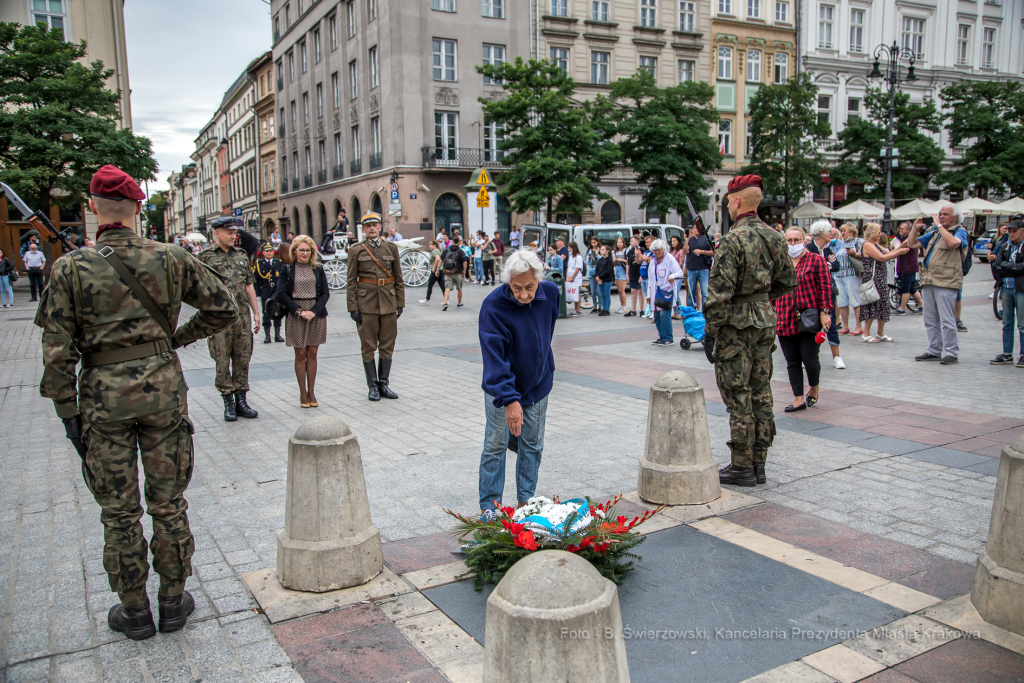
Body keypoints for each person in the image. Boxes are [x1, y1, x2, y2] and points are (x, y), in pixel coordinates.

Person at [39, 164, 237, 640]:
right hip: (163, 393)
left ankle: (134, 610)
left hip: (103, 400)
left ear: (92, 208)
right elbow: (224, 307)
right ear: (137, 208)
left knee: (119, 512)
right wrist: (175, 339)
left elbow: (57, 352)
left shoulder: (71, 267)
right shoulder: (170, 257)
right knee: (168, 504)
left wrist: (68, 413)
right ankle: (172, 601)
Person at [703, 175, 796, 487]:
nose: (729, 205)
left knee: (738, 393)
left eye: (729, 200)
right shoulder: (776, 237)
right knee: (761, 391)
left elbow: (718, 295)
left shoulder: (732, 240)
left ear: (738, 201)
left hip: (735, 325)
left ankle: (741, 466)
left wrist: (711, 333)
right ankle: (759, 463)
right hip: (765, 320)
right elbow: (786, 282)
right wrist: (760, 299)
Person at [477, 249, 559, 517]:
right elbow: (494, 361)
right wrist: (511, 400)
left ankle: (526, 503)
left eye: (529, 287)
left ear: (539, 278)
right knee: (495, 446)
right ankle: (490, 507)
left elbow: (546, 334)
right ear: (507, 283)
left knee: (533, 445)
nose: (524, 294)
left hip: (538, 385)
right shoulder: (493, 307)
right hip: (501, 390)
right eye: (516, 288)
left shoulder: (551, 294)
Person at [198, 217, 262, 421]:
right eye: (229, 233)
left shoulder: (242, 255)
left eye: (235, 233)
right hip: (218, 319)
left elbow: (249, 285)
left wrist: (256, 312)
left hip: (241, 317)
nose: (234, 236)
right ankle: (228, 401)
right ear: (216, 233)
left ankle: (242, 400)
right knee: (222, 359)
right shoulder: (205, 256)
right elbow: (197, 288)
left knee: (243, 358)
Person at [347, 212, 405, 400]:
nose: (372, 228)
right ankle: (372, 386)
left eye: (375, 225)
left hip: (388, 302)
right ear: (363, 229)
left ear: (380, 227)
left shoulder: (391, 248)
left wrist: (400, 302)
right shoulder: (356, 250)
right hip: (366, 303)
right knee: (368, 346)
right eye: (368, 225)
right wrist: (353, 306)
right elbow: (350, 281)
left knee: (388, 344)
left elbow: (398, 278)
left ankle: (384, 384)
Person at [773, 227, 833, 412]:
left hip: (809, 316)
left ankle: (814, 386)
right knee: (792, 361)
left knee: (810, 359)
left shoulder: (816, 260)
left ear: (804, 241)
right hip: (784, 316)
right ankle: (799, 397)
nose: (792, 244)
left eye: (796, 240)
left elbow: (825, 287)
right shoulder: (779, 262)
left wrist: (825, 312)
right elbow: (772, 288)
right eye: (789, 240)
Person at [907, 206, 970, 364]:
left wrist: (939, 226)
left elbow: (952, 243)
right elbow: (912, 243)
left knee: (947, 320)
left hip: (946, 281)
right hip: (929, 279)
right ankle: (934, 350)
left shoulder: (959, 231)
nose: (941, 216)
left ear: (955, 218)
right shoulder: (935, 233)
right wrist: (915, 228)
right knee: (930, 318)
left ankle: (952, 352)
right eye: (940, 214)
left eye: (945, 214)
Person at [277, 236, 330, 407]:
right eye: (302, 250)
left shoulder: (318, 268)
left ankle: (312, 392)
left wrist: (313, 311)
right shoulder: (287, 269)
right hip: (296, 314)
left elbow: (325, 294)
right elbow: (281, 294)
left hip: (316, 314)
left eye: (308, 250)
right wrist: (299, 311)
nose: (305, 253)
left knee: (312, 354)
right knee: (300, 354)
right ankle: (303, 393)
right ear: (294, 251)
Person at [807, 220, 845, 370]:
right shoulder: (809, 248)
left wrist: (826, 263)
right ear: (821, 233)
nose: (832, 234)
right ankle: (810, 356)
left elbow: (836, 266)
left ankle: (836, 357)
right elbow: (811, 266)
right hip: (813, 291)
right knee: (811, 323)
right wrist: (827, 263)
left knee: (832, 323)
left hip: (828, 290)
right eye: (830, 232)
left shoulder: (828, 249)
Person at [859, 223, 907, 342]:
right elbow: (883, 258)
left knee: (883, 305)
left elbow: (888, 253)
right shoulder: (867, 245)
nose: (880, 234)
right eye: (878, 232)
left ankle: (880, 333)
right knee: (872, 304)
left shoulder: (875, 245)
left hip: (880, 279)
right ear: (872, 234)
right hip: (873, 279)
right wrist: (900, 252)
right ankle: (866, 334)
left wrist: (902, 246)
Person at [989, 220, 1024, 367]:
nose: (1011, 233)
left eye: (1014, 231)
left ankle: (1023, 355)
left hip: (1021, 289)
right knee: (1006, 322)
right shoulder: (1005, 246)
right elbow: (995, 266)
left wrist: (1007, 267)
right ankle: (1007, 354)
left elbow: (1023, 268)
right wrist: (1012, 268)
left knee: (1022, 324)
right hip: (1006, 287)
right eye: (1009, 230)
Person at [647, 239, 683, 345]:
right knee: (657, 316)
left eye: (658, 250)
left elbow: (679, 272)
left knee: (664, 315)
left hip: (665, 291)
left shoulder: (669, 258)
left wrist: (672, 276)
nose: (656, 252)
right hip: (655, 292)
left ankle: (668, 338)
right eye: (654, 251)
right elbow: (651, 279)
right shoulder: (653, 261)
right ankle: (661, 336)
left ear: (662, 249)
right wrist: (649, 295)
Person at [834, 223, 864, 337]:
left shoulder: (858, 241)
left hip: (852, 274)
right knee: (842, 302)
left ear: (852, 231)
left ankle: (858, 326)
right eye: (841, 230)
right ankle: (845, 326)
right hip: (839, 274)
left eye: (844, 230)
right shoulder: (841, 243)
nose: (843, 232)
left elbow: (866, 255)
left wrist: (855, 253)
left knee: (855, 301)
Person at [253, 243, 285, 343]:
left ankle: (277, 335)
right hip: (265, 292)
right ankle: (267, 336)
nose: (269, 253)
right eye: (267, 251)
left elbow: (282, 278)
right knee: (266, 313)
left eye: (270, 251)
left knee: (277, 312)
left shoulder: (278, 262)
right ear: (263, 253)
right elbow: (256, 280)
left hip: (276, 292)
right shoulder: (259, 264)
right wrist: (257, 294)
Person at [891, 222, 923, 315]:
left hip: (908, 267)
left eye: (903, 228)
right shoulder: (902, 239)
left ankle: (901, 309)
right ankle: (922, 305)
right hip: (903, 266)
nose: (900, 230)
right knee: (912, 287)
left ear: (908, 230)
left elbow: (901, 251)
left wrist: (891, 252)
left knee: (905, 288)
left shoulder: (910, 239)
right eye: (900, 228)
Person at [685, 225, 713, 312]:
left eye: (698, 228)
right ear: (693, 230)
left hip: (703, 268)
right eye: (695, 228)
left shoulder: (706, 238)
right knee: (691, 293)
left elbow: (713, 252)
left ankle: (705, 312)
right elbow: (685, 251)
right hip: (691, 269)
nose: (697, 230)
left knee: (705, 292)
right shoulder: (691, 240)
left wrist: (702, 252)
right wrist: (686, 241)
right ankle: (692, 312)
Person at [441, 237, 467, 310]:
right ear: (459, 242)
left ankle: (445, 303)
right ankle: (459, 303)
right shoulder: (460, 251)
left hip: (448, 272)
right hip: (458, 272)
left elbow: (441, 259)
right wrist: (464, 271)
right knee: (459, 288)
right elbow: (465, 262)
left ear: (452, 242)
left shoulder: (447, 250)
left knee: (447, 288)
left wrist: (437, 269)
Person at [419, 239, 445, 304]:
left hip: (436, 271)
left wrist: (434, 267)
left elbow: (438, 259)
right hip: (441, 270)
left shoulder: (434, 251)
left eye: (430, 244)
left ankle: (427, 299)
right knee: (442, 286)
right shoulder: (439, 250)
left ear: (434, 245)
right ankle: (446, 300)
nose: (429, 246)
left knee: (430, 285)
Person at [624, 235, 645, 317]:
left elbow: (642, 263)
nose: (630, 242)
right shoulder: (630, 251)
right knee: (633, 292)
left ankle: (641, 309)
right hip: (632, 273)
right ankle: (633, 310)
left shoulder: (642, 250)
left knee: (640, 292)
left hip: (638, 272)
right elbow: (628, 263)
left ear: (637, 241)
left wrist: (641, 276)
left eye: (632, 241)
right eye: (630, 241)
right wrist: (627, 274)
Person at [668, 235, 687, 319]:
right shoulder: (671, 251)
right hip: (671, 274)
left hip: (677, 275)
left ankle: (679, 312)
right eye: (672, 241)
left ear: (678, 242)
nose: (673, 243)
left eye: (675, 241)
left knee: (676, 294)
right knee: (672, 294)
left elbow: (681, 263)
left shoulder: (681, 251)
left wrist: (673, 267)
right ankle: (675, 312)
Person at [594, 244, 614, 317]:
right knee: (602, 295)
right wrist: (597, 277)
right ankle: (603, 308)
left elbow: (608, 270)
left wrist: (600, 277)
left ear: (607, 251)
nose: (601, 251)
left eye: (603, 250)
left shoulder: (609, 260)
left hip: (607, 279)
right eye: (601, 249)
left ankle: (607, 309)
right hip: (600, 280)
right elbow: (597, 269)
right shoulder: (600, 259)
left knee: (606, 294)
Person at [565, 241, 584, 316]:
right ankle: (574, 309)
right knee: (573, 293)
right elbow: (568, 267)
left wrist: (572, 277)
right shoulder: (571, 256)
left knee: (577, 293)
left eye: (569, 248)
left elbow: (577, 268)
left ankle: (578, 310)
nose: (568, 249)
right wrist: (567, 277)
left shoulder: (578, 257)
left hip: (576, 278)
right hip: (570, 277)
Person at [586, 236, 602, 314]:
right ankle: (594, 306)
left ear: (597, 242)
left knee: (599, 291)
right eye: (592, 243)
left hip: (598, 271)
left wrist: (597, 254)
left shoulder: (601, 250)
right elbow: (588, 262)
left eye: (594, 242)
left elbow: (601, 260)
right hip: (592, 272)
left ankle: (600, 306)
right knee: (593, 291)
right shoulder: (589, 251)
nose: (593, 244)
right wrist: (589, 258)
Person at [613, 236, 628, 313]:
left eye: (620, 242)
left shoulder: (625, 251)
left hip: (623, 270)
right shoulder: (615, 252)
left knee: (622, 289)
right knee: (619, 290)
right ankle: (621, 306)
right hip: (617, 270)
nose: (619, 244)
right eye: (618, 242)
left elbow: (628, 261)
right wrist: (614, 260)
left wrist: (621, 259)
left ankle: (624, 307)